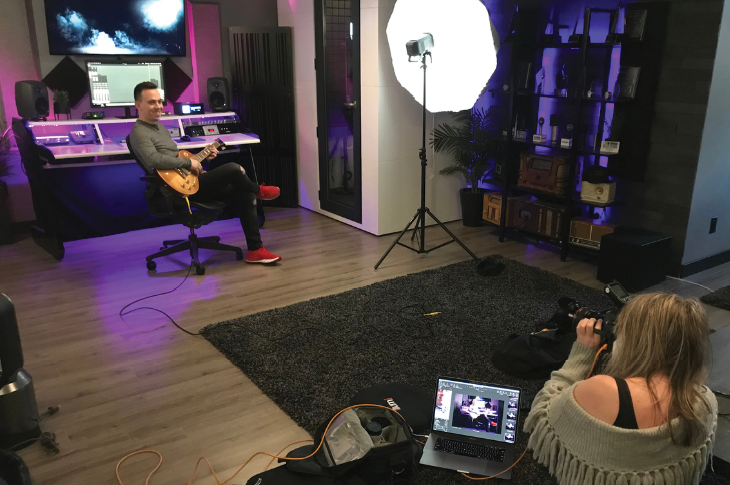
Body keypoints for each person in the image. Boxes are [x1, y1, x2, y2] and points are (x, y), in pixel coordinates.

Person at [524, 293, 717, 485]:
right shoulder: (705, 401)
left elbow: (543, 414)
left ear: (637, 341)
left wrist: (582, 353)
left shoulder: (605, 390)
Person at [128, 82, 281, 264]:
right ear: (138, 105)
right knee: (233, 168)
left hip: (189, 180)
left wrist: (202, 157)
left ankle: (255, 250)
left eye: (160, 102)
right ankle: (258, 190)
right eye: (152, 102)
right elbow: (154, 159)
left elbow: (175, 159)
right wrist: (188, 162)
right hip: (176, 192)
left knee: (245, 194)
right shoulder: (139, 132)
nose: (159, 106)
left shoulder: (159, 127)